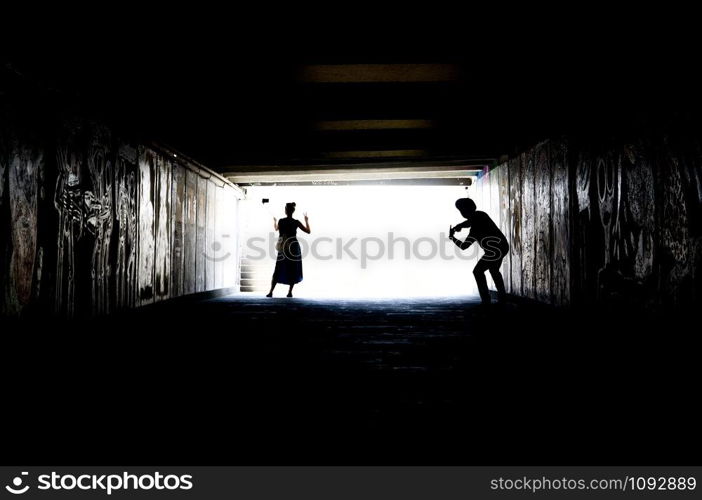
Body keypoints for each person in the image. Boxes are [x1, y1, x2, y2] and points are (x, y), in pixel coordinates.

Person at [449, 198, 509, 304]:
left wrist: (455, 233)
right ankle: (501, 297)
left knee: (479, 271)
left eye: (462, 210)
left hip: (495, 250)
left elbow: (470, 223)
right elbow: (464, 245)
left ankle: (487, 299)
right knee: (493, 271)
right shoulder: (477, 224)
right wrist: (456, 233)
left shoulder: (479, 217)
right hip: (499, 248)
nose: (462, 213)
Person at [266, 202, 311, 298]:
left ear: (285, 211)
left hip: (283, 247)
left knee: (278, 268)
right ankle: (290, 292)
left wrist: (274, 221)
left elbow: (276, 229)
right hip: (293, 247)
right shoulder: (296, 222)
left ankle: (271, 291)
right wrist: (306, 220)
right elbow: (308, 231)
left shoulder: (281, 221)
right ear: (293, 211)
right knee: (292, 268)